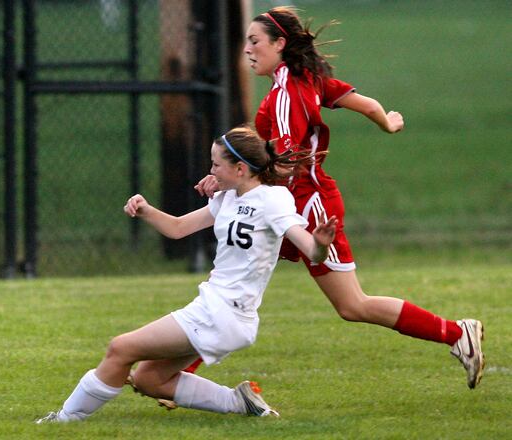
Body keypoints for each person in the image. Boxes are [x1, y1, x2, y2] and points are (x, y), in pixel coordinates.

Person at [193, 7, 484, 390]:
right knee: (235, 278)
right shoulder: (307, 79)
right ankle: (180, 369)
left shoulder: (286, 93)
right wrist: (389, 123)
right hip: (293, 202)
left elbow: (285, 163)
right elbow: (367, 105)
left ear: (280, 44)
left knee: (352, 305)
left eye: (254, 41)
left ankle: (456, 333)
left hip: (305, 206)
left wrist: (230, 178)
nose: (247, 49)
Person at [36, 126, 338, 423]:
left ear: (241, 169)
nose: (212, 171)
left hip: (223, 314)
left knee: (120, 348)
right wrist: (145, 210)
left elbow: (310, 250)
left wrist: (321, 245)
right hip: (217, 310)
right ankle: (240, 401)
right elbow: (178, 228)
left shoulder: (272, 200)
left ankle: (64, 420)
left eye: (217, 164)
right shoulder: (228, 198)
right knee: (149, 379)